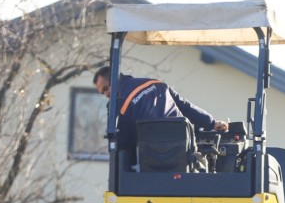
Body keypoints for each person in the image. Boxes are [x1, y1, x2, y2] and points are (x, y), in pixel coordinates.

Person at [93, 66, 228, 156]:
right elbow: (184, 106)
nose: (105, 94)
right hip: (184, 147)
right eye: (102, 92)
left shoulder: (118, 104)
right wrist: (210, 123)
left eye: (105, 88)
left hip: (151, 157)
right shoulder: (155, 83)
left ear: (115, 79)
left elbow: (123, 141)